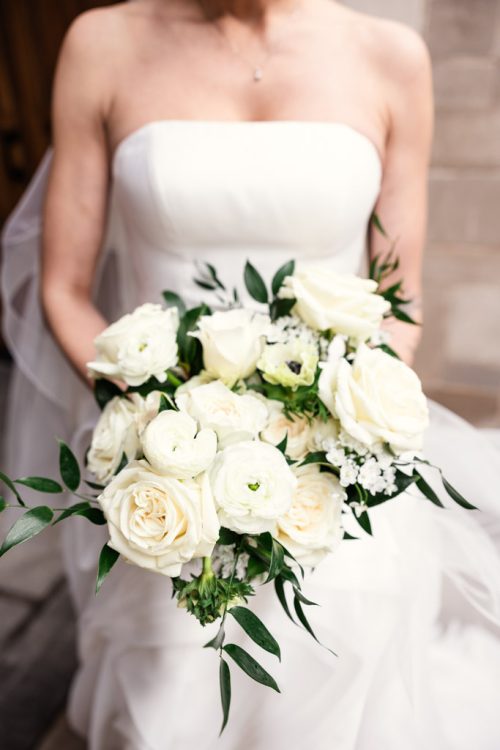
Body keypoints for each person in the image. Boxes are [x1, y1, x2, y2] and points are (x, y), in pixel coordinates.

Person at [2, 1, 500, 748]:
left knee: (337, 668)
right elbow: (64, 290)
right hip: (168, 454)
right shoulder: (102, 42)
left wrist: (337, 430)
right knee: (175, 689)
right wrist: (154, 418)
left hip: (328, 459)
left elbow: (403, 295)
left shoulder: (391, 55)